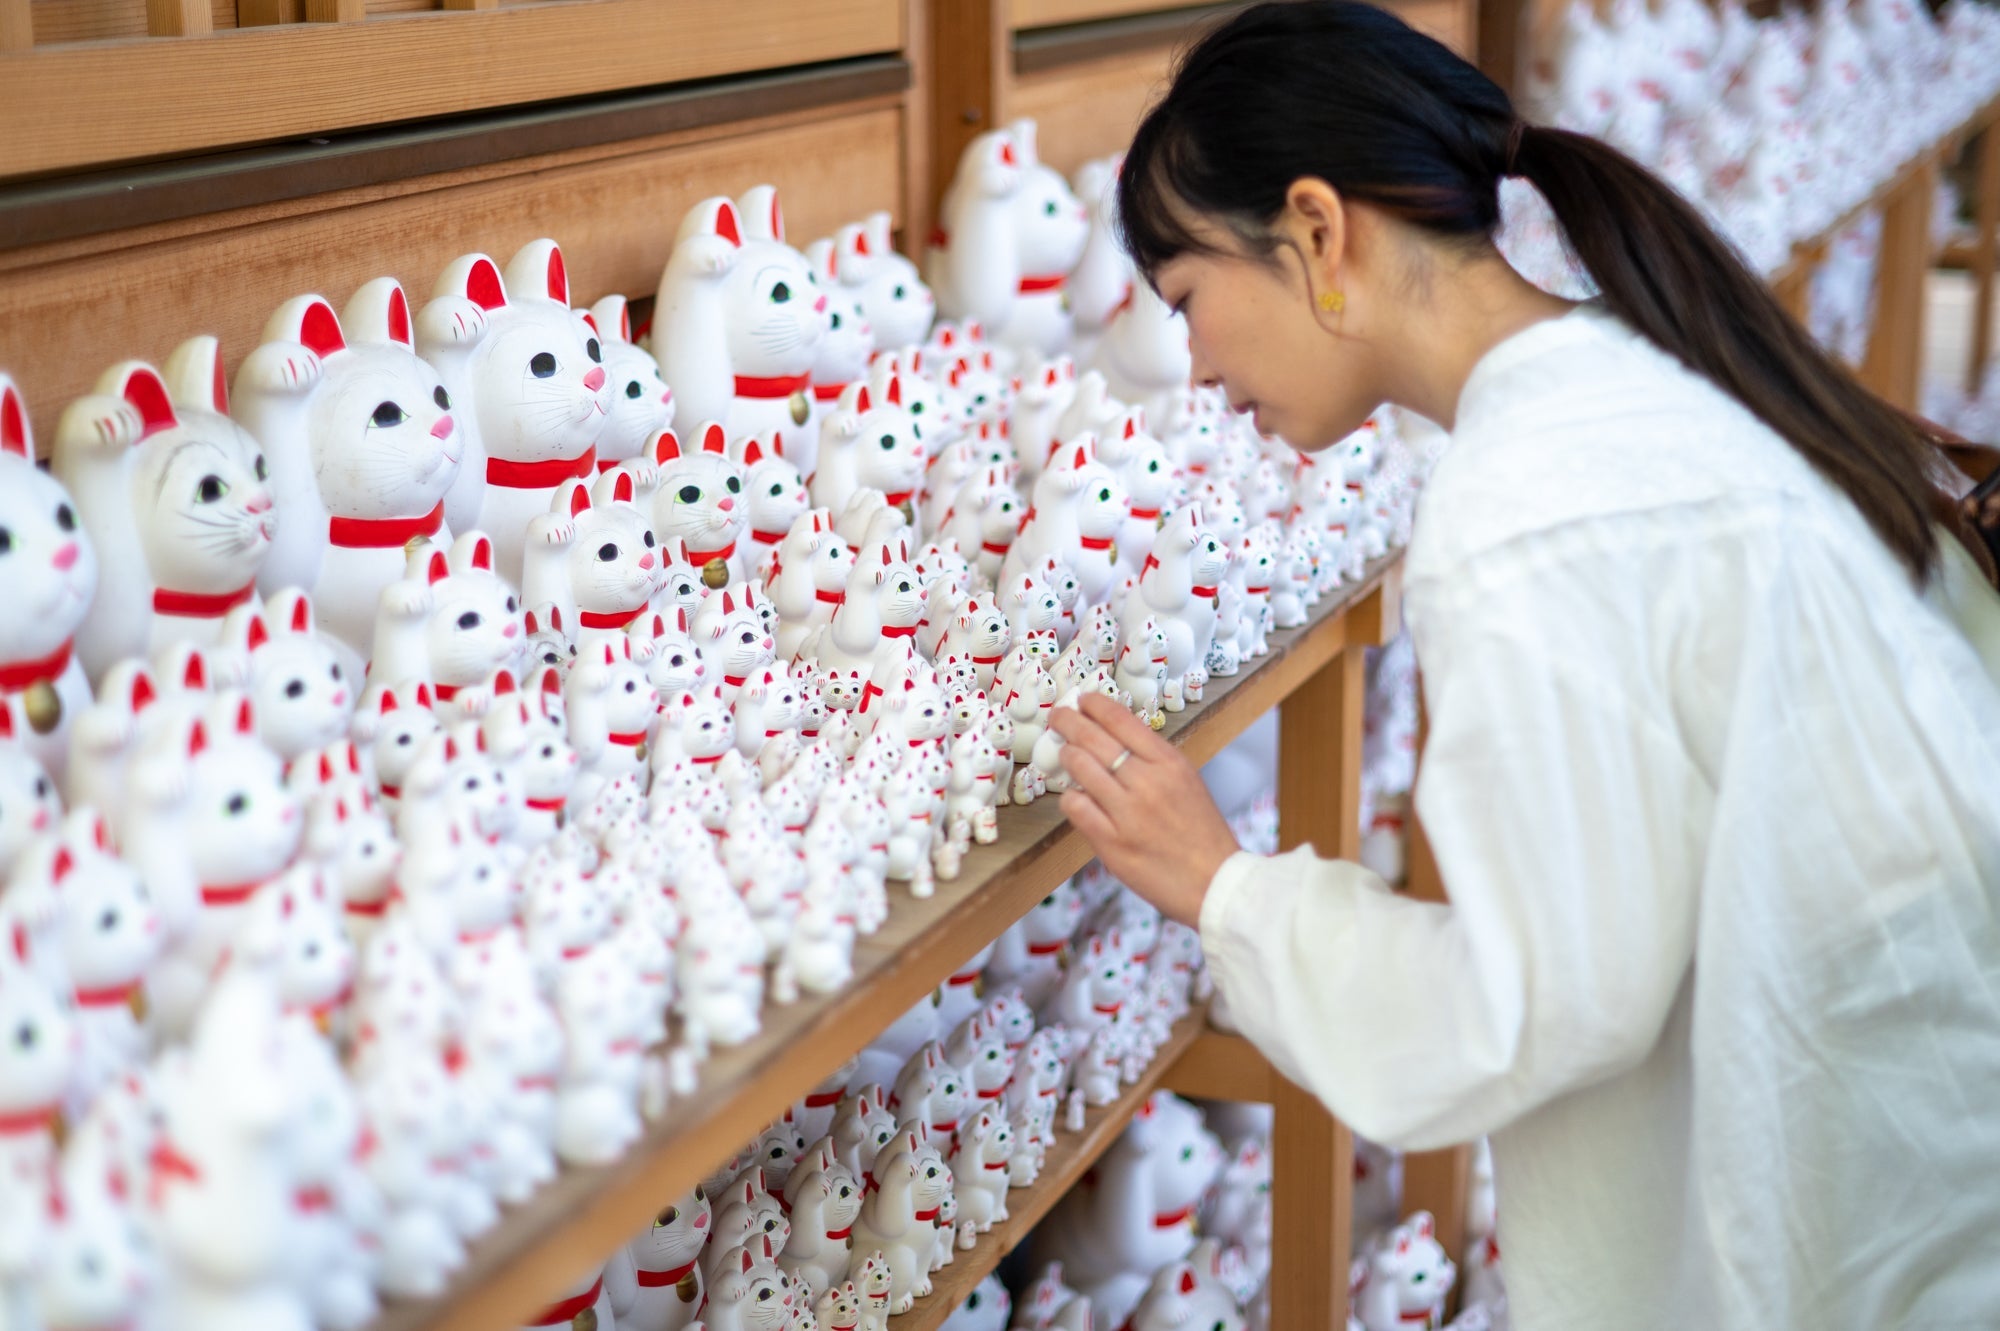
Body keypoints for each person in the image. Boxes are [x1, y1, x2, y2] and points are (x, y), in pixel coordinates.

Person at [1046, 3, 2000, 1327]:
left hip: (1872, 1217)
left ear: (1319, 233)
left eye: (1191, 298)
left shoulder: (1528, 509)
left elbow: (1545, 1002)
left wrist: (1227, 890)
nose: (1196, 366)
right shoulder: (1635, 377)